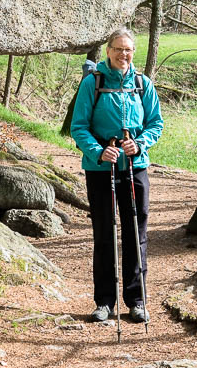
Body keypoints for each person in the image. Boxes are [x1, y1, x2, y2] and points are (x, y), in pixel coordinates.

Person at [70, 27, 163, 324]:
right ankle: (105, 302)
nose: (124, 55)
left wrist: (141, 143)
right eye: (119, 49)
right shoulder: (92, 83)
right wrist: (98, 151)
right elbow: (78, 126)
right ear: (108, 51)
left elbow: (156, 124)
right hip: (100, 169)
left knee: (137, 233)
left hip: (134, 167)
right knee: (104, 232)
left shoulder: (142, 83)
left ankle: (137, 301)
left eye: (129, 50)